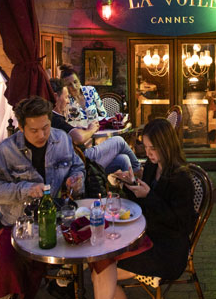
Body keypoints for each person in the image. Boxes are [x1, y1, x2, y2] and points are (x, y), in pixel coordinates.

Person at [0, 96, 85, 299]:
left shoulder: (62, 139)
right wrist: (25, 190)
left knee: (83, 244)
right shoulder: (6, 150)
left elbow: (77, 166)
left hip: (56, 219)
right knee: (6, 268)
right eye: (34, 130)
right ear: (21, 127)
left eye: (45, 127)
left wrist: (77, 177)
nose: (42, 134)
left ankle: (65, 286)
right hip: (16, 223)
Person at [90, 118, 197, 299]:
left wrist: (149, 196)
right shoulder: (152, 167)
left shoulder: (181, 179)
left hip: (167, 250)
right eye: (145, 147)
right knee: (99, 269)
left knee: (101, 270)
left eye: (152, 148)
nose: (148, 153)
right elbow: (142, 204)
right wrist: (128, 184)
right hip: (145, 237)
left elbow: (181, 225)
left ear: (167, 145)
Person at [49, 78, 141, 175]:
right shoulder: (55, 118)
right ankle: (139, 170)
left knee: (123, 159)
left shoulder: (58, 116)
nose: (68, 101)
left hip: (82, 158)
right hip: (82, 160)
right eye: (66, 97)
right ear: (56, 97)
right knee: (119, 141)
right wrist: (91, 130)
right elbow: (78, 138)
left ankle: (131, 186)